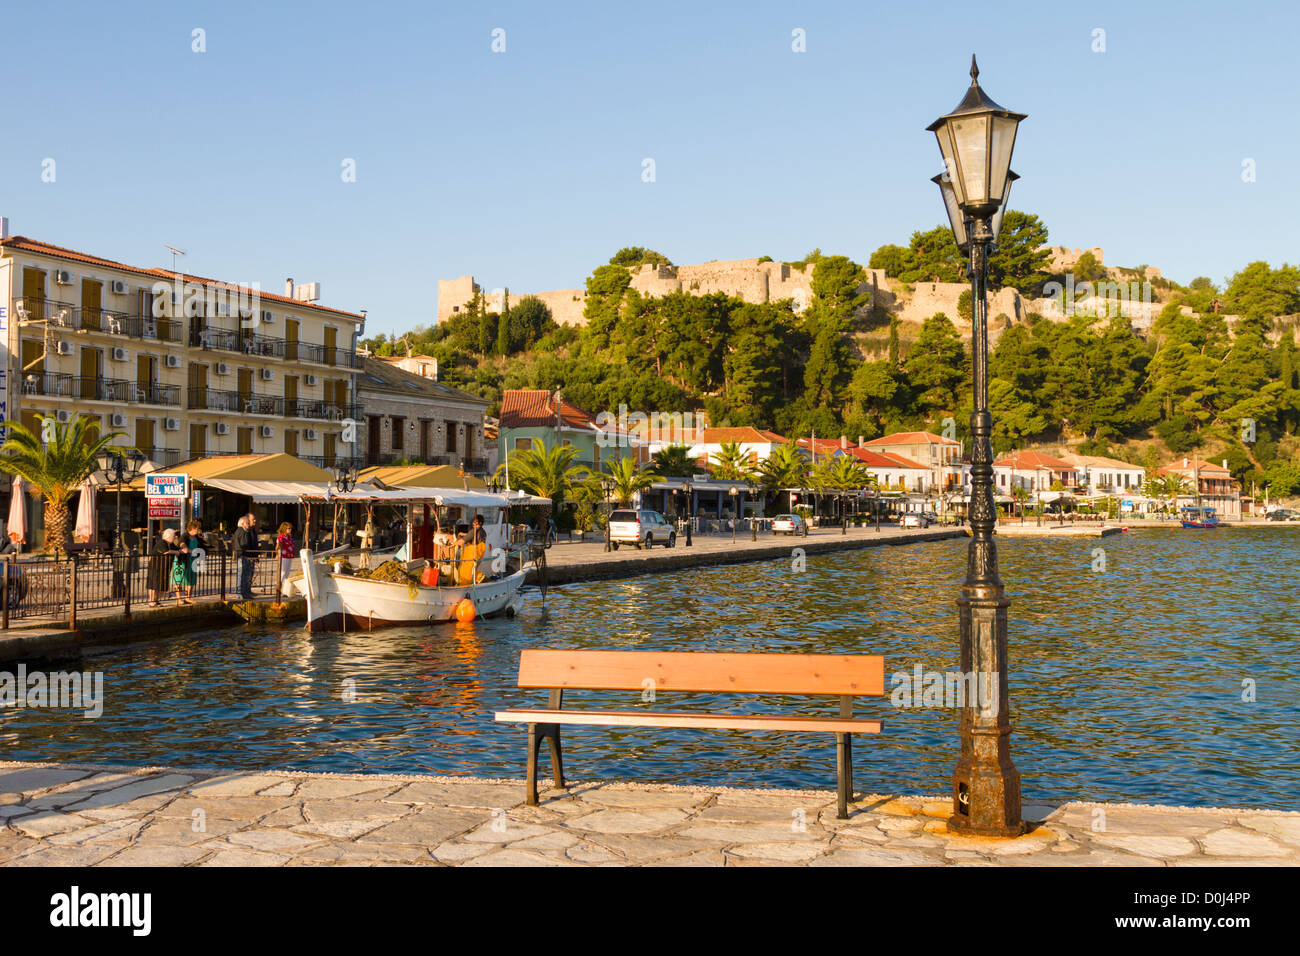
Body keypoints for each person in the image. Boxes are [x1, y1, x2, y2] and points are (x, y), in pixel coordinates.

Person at [148, 528, 179, 606]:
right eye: (174, 536)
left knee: (163, 586)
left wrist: (181, 551)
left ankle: (156, 600)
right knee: (154, 585)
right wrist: (176, 552)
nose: (175, 538)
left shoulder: (170, 544)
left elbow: (178, 549)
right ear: (169, 536)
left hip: (164, 568)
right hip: (155, 567)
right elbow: (166, 551)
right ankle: (152, 601)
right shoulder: (162, 543)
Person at [177, 519, 202, 603]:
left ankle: (188, 597)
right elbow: (182, 544)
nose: (198, 530)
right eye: (197, 528)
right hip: (183, 560)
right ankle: (179, 599)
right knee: (179, 579)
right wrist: (188, 549)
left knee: (191, 579)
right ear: (192, 528)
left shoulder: (196, 537)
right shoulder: (184, 536)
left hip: (193, 560)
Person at [234, 513, 257, 600]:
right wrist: (241, 553)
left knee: (246, 575)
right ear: (242, 523)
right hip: (243, 556)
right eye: (247, 523)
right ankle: (240, 593)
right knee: (242, 575)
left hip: (247, 556)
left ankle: (245, 592)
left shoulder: (246, 531)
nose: (249, 524)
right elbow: (239, 544)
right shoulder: (240, 531)